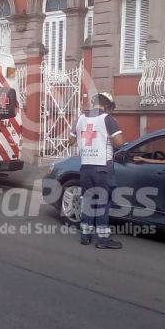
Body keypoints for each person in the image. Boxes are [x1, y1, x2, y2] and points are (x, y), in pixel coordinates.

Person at [69, 92, 125, 249]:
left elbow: (71, 140)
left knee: (88, 201)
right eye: (111, 107)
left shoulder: (80, 119)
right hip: (102, 167)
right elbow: (119, 143)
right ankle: (102, 239)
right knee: (102, 202)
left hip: (86, 166)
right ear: (107, 105)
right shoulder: (107, 119)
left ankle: (85, 236)